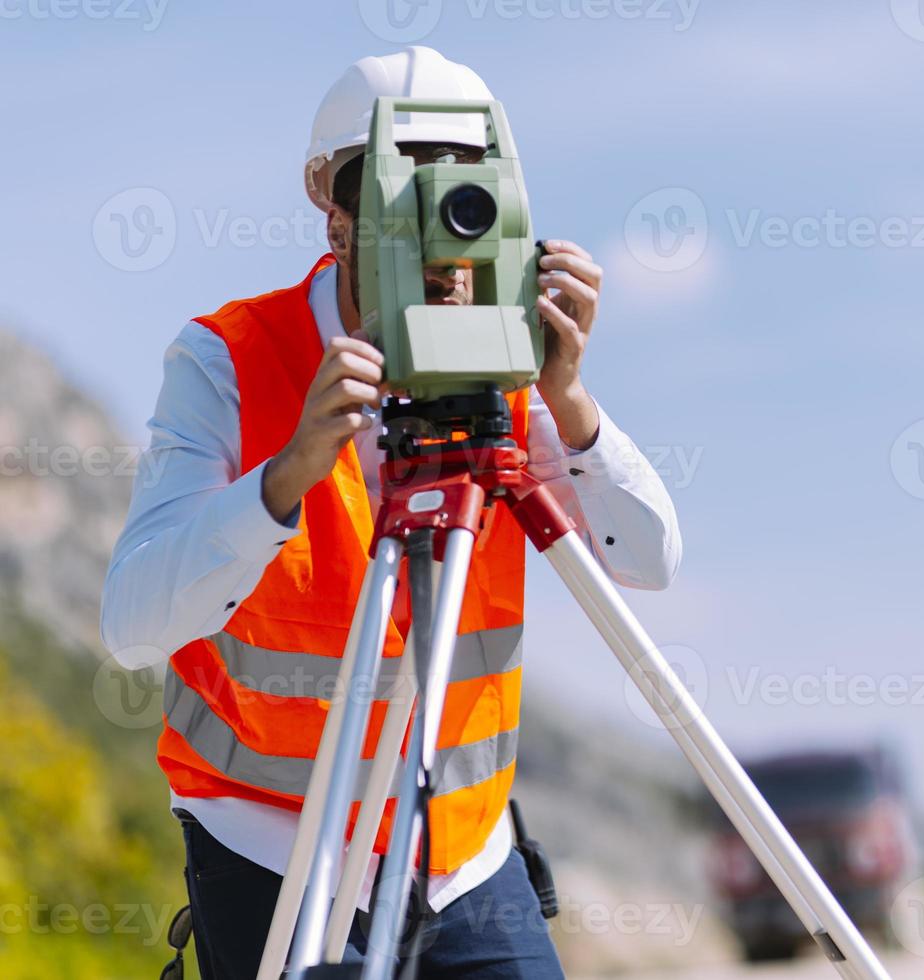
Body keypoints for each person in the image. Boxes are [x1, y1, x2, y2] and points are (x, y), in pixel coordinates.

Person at [101, 46, 681, 980]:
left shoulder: (508, 364)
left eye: (469, 189)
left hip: (465, 858)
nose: (443, 230)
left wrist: (570, 405)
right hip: (277, 849)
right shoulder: (229, 362)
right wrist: (284, 476)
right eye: (404, 190)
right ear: (331, 209)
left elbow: (649, 559)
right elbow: (132, 625)